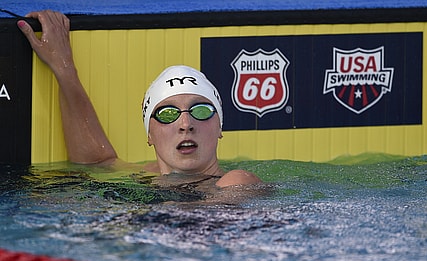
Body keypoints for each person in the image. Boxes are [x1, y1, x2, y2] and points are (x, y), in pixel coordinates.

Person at [17, 10, 261, 188]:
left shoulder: (237, 181)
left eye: (200, 110)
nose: (186, 124)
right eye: (168, 114)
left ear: (220, 126)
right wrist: (63, 68)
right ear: (149, 135)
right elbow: (97, 161)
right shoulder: (150, 174)